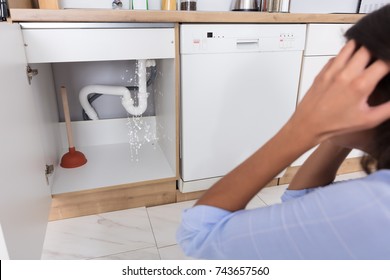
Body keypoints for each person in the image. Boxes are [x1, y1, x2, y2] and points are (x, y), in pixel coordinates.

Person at [176, 5, 390, 259]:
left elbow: (199, 235)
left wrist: (302, 127)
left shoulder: (372, 204)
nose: (332, 82)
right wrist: (339, 126)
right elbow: (304, 202)